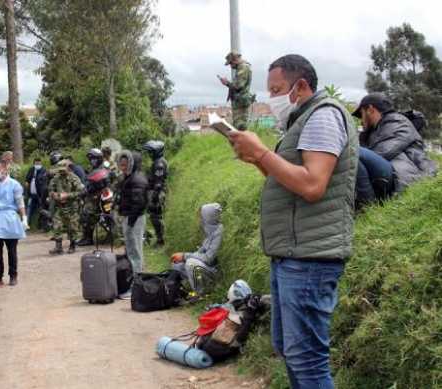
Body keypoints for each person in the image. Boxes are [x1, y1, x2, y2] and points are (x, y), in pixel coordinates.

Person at [229, 54, 358, 388]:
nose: (271, 98)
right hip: (292, 254)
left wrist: (261, 153)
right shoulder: (301, 120)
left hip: (310, 259)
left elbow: (312, 186)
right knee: (290, 351)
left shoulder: (323, 117)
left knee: (307, 360)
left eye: (277, 89)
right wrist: (257, 160)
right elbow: (290, 182)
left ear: (301, 86)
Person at [352, 93, 438, 207]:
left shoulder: (397, 122)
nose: (361, 120)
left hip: (405, 177)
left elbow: (384, 152)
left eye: (361, 114)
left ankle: (368, 207)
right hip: (392, 173)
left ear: (370, 109)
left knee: (354, 153)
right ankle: (365, 206)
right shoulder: (376, 129)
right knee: (353, 156)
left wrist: (361, 144)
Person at [115, 150, 148, 294]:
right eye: (121, 162)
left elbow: (139, 203)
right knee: (130, 250)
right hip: (130, 217)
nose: (122, 165)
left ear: (132, 163)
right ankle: (133, 281)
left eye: (125, 162)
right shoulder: (129, 178)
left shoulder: (137, 180)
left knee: (134, 251)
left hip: (134, 219)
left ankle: (136, 284)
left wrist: (130, 222)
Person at [171, 203, 223, 294]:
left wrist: (184, 256)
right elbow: (200, 252)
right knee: (177, 265)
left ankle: (200, 293)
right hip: (206, 268)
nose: (200, 220)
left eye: (201, 217)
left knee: (191, 264)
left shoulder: (219, 233)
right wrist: (182, 258)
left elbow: (208, 258)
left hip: (214, 272)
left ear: (208, 217)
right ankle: (189, 287)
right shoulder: (210, 231)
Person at [48, 160, 84, 255]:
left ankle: (72, 245)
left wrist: (67, 195)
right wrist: (54, 195)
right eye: (60, 170)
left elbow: (80, 192)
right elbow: (51, 189)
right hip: (59, 206)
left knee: (72, 227)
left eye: (63, 170)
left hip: (72, 207)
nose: (61, 172)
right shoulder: (56, 178)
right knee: (57, 225)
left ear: (68, 168)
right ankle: (58, 247)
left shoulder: (74, 178)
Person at [142, 140, 168, 246]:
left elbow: (158, 183)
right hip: (155, 191)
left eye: (151, 152)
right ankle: (159, 238)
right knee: (155, 216)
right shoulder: (158, 161)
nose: (149, 154)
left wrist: (154, 197)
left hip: (157, 192)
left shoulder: (159, 164)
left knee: (156, 216)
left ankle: (160, 240)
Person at [78, 148, 105, 247]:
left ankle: (88, 238)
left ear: (99, 159)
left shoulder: (103, 169)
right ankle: (85, 237)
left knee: (86, 214)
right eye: (91, 159)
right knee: (84, 213)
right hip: (92, 196)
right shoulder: (94, 170)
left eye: (94, 158)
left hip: (98, 197)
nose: (92, 161)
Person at [220, 51, 253, 128]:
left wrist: (227, 83)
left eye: (231, 63)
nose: (231, 66)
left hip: (241, 103)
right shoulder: (241, 68)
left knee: (240, 127)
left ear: (235, 60)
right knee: (238, 126)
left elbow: (238, 86)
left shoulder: (243, 67)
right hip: (239, 102)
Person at [24, 157, 48, 230]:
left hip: (40, 195)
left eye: (39, 163)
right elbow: (27, 179)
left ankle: (42, 226)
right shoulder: (31, 170)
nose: (37, 165)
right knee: (29, 208)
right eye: (36, 163)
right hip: (32, 194)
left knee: (42, 209)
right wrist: (26, 183)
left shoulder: (43, 170)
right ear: (34, 164)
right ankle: (26, 224)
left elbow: (44, 182)